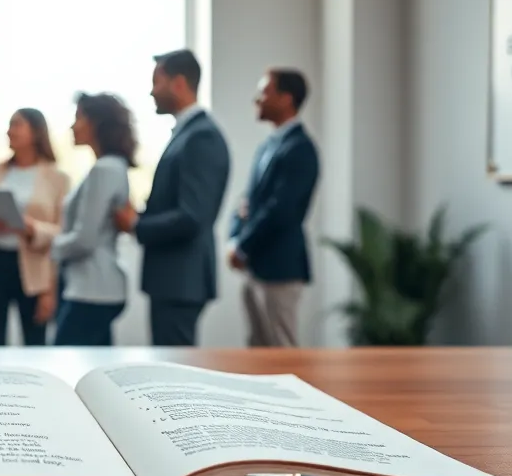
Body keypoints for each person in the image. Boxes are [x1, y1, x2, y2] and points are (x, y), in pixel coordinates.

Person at [115, 49, 231, 346]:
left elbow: (192, 216)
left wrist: (136, 225)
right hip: (175, 278)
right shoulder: (188, 134)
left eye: (157, 81)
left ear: (178, 83)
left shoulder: (201, 137)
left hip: (181, 278)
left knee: (175, 374)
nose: (152, 91)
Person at [228, 69, 320, 347]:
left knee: (282, 347)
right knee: (258, 347)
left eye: (264, 92)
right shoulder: (269, 145)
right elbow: (247, 203)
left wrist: (243, 246)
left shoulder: (300, 148)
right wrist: (236, 238)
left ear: (286, 98)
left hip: (280, 267)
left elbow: (280, 210)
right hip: (257, 266)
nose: (257, 99)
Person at [0, 109, 71, 346]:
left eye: (16, 125)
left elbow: (63, 233)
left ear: (36, 131)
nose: (9, 131)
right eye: (9, 125)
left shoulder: (58, 178)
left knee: (35, 343)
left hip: (35, 271)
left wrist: (31, 228)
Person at [51, 93, 136, 346]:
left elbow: (85, 240)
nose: (72, 126)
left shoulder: (105, 169)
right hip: (95, 288)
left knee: (62, 367)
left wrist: (50, 246)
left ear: (97, 123)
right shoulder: (110, 166)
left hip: (92, 289)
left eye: (79, 118)